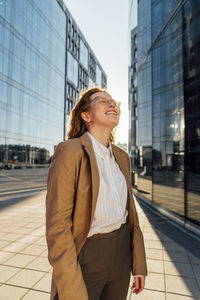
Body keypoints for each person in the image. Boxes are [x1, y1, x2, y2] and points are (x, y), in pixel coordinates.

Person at [45, 87, 148, 300]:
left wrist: (138, 264)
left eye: (113, 102)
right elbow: (58, 225)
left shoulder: (122, 157)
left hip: (121, 255)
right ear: (86, 115)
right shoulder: (69, 151)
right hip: (86, 255)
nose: (112, 104)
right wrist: (70, 287)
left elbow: (131, 216)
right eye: (103, 100)